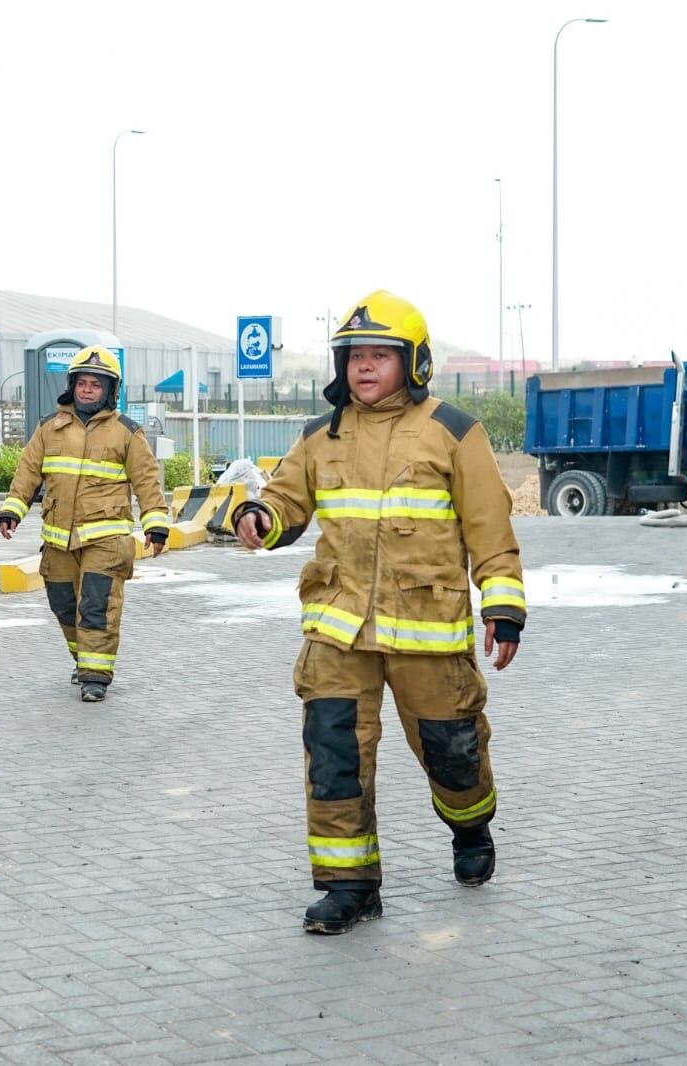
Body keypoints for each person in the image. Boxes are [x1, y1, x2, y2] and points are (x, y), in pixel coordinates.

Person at [232, 290, 526, 935]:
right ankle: (349, 885)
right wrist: (259, 516)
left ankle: (470, 826)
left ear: (413, 362)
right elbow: (284, 500)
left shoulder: (453, 431)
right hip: (337, 632)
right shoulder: (320, 436)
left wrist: (502, 605)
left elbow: (490, 527)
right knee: (335, 759)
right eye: (355, 356)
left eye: (380, 356)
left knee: (455, 756)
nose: (364, 368)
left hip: (430, 634)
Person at [0, 347, 171, 702]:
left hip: (107, 538)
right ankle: (85, 658)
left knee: (95, 605)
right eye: (83, 383)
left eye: (96, 384)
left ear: (110, 390)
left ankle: (96, 675)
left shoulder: (126, 432)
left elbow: (148, 481)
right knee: (63, 604)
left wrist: (156, 524)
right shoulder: (49, 427)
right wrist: (12, 510)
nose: (88, 390)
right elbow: (28, 472)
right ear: (72, 385)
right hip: (58, 539)